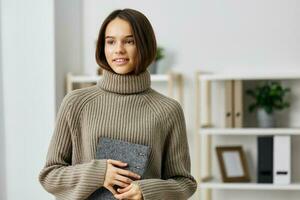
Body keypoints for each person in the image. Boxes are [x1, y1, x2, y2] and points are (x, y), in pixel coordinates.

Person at [39, 8, 197, 200]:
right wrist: (99, 173)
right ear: (102, 48)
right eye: (111, 41)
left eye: (129, 41)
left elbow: (184, 183)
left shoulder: (168, 110)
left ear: (145, 45)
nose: (118, 49)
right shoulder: (76, 103)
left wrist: (147, 192)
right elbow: (49, 176)